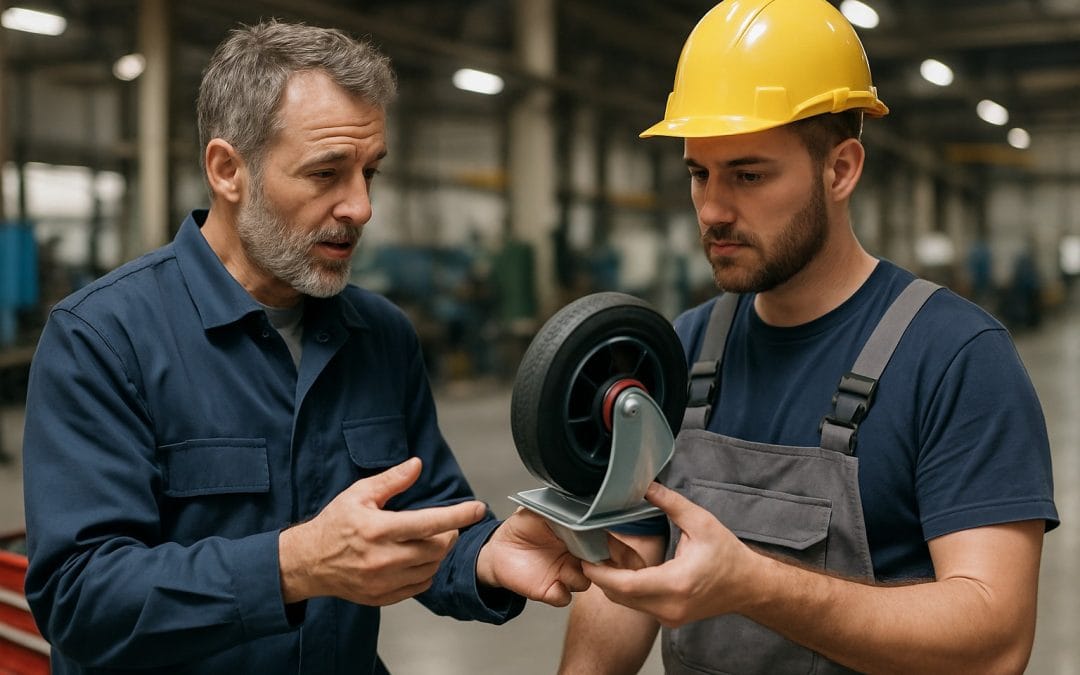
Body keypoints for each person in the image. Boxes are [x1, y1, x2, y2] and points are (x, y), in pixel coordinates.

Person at [21, 20, 588, 674]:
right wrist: (293, 565)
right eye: (326, 173)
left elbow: (423, 516)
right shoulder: (103, 338)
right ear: (228, 170)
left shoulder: (380, 336)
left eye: (369, 172)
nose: (361, 206)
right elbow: (78, 597)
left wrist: (485, 555)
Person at [558, 1, 1059, 673]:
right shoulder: (678, 350)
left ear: (841, 169)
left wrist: (756, 584)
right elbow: (630, 565)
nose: (712, 209)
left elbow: (994, 642)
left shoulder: (956, 358)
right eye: (698, 173)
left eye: (748, 173)